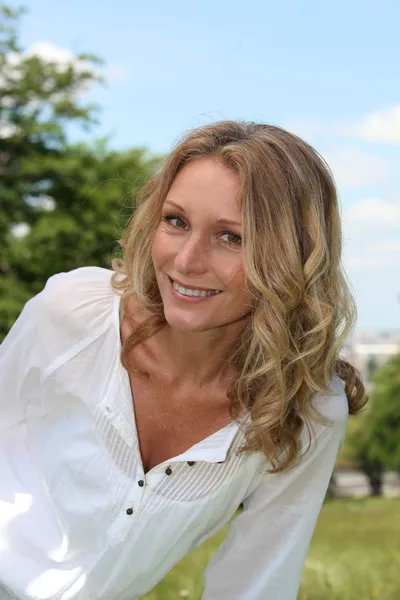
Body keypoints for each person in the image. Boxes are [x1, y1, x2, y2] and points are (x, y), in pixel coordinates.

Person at [0, 120, 367, 600]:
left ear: (290, 257)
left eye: (231, 237)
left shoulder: (305, 409)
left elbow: (255, 584)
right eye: (176, 221)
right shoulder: (71, 314)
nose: (187, 261)